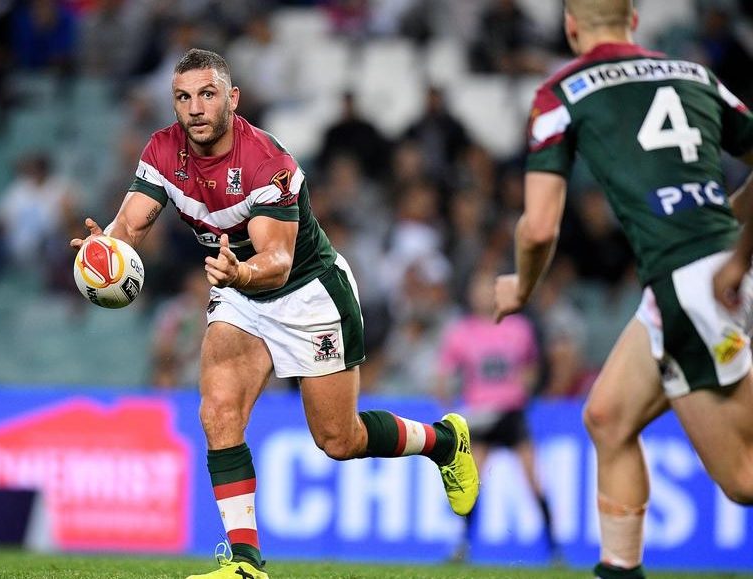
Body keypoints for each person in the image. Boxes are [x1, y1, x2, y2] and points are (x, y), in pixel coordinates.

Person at [69, 48, 479, 579]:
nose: (195, 108)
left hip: (307, 293)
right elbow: (130, 225)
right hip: (240, 293)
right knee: (218, 412)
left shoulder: (267, 163)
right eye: (183, 97)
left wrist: (239, 273)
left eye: (207, 94)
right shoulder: (164, 149)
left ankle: (444, 441)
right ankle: (245, 563)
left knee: (339, 439)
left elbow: (279, 261)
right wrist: (105, 249)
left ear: (233, 99)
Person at [492, 2, 753, 578]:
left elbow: (539, 228)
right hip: (704, 276)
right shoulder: (694, 75)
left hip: (691, 286)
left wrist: (521, 288)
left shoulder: (562, 92)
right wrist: (734, 247)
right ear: (633, 20)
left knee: (742, 479)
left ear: (570, 26)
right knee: (608, 417)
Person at [436, 269, 559, 563]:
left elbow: (531, 366)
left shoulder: (519, 328)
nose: (482, 295)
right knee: (472, 483)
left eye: (487, 290)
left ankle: (554, 548)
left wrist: (524, 389)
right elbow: (443, 375)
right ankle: (463, 546)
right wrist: (450, 408)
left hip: (511, 412)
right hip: (481, 416)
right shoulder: (461, 331)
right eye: (478, 289)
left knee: (533, 480)